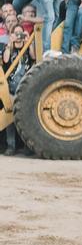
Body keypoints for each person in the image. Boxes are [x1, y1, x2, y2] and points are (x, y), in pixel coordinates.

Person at [3, 24, 36, 155]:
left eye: (20, 33)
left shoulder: (27, 47)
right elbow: (5, 59)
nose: (18, 36)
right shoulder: (9, 48)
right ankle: (11, 146)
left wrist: (29, 42)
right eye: (15, 33)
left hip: (26, 87)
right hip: (11, 87)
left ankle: (27, 147)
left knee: (25, 118)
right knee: (10, 118)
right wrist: (10, 43)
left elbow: (33, 57)